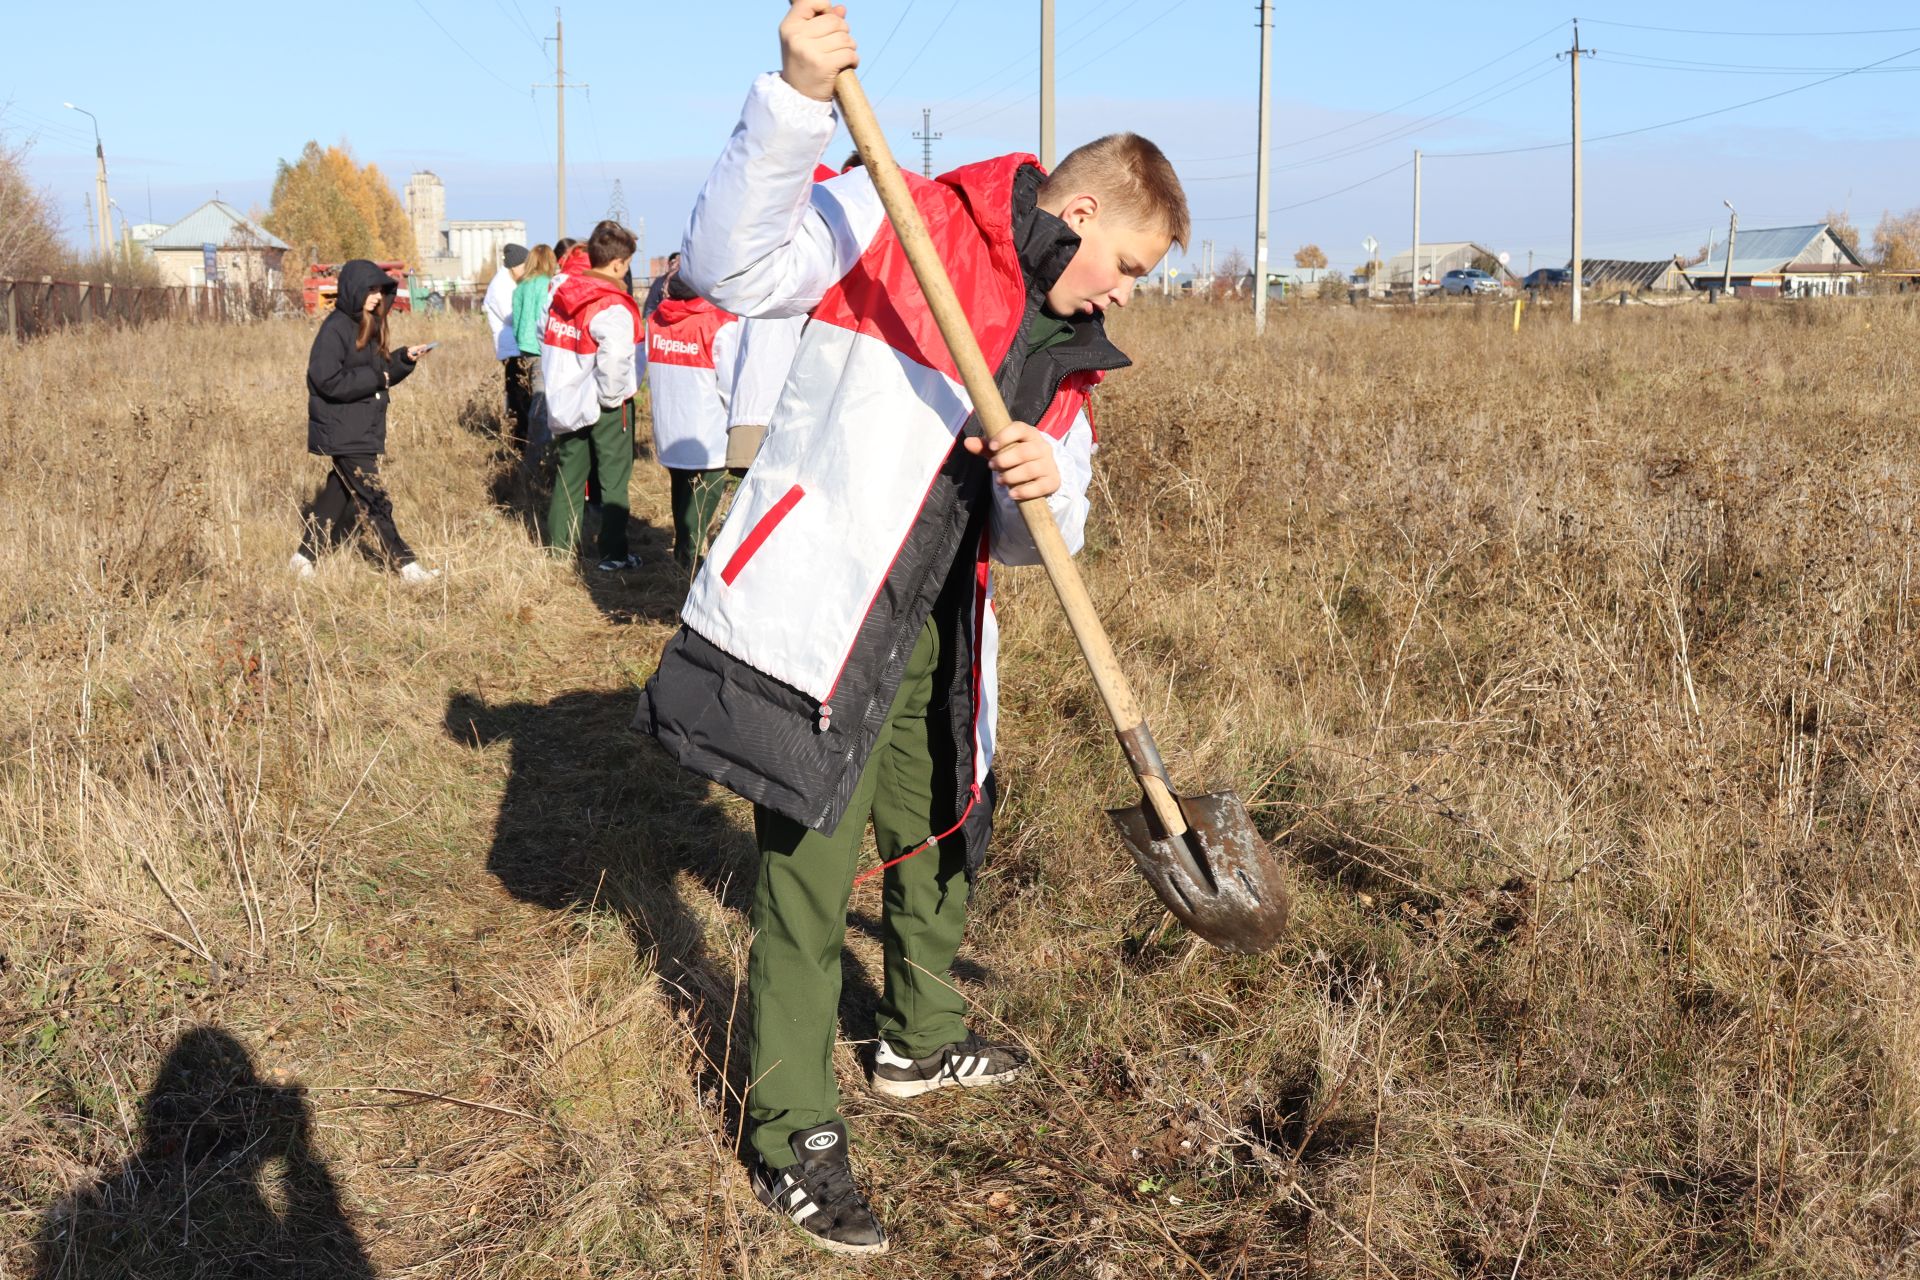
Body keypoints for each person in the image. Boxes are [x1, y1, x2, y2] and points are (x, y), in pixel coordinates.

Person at [633, 0, 1187, 1255]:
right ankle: (790, 1130)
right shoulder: (901, 209)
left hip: (949, 619)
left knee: (946, 827)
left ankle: (917, 1040)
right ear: (1086, 214)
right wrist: (790, 101)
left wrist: (1044, 479)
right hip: (830, 612)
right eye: (1133, 265)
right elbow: (729, 267)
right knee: (807, 878)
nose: (1131, 291)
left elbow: (1050, 535)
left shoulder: (1072, 349)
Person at [292, 260, 439, 584]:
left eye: (379, 291)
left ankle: (303, 557)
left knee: (338, 493)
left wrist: (402, 359)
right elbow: (326, 379)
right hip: (344, 426)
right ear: (353, 289)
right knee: (374, 498)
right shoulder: (335, 329)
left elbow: (380, 372)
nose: (375, 297)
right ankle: (407, 567)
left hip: (359, 425)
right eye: (370, 290)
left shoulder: (367, 324)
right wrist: (377, 376)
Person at [541, 220, 643, 571]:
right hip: (605, 402)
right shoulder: (612, 304)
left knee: (569, 475)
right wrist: (613, 397)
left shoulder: (559, 293)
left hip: (566, 397)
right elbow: (615, 357)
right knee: (613, 480)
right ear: (617, 264)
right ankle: (613, 554)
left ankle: (558, 550)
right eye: (627, 265)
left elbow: (545, 331)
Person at [645, 274, 742, 569]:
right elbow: (730, 384)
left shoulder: (655, 321)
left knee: (681, 493)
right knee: (703, 497)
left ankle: (683, 557)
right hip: (706, 431)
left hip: (670, 426)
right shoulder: (720, 324)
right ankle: (688, 563)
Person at [510, 243, 559, 470]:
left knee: (537, 401)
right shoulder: (548, 286)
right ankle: (535, 462)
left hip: (527, 351)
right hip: (544, 349)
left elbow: (518, 322)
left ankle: (540, 457)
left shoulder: (520, 288)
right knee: (541, 405)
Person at [484, 243, 530, 444]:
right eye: (524, 266)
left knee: (522, 395)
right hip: (511, 349)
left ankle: (522, 436)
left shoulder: (511, 282)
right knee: (518, 397)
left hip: (518, 347)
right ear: (514, 265)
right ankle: (519, 440)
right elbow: (512, 316)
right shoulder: (500, 286)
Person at [642, 250, 680, 318]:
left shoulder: (687, 282)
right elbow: (650, 305)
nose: (675, 266)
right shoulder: (659, 282)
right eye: (673, 262)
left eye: (679, 263)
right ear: (668, 264)